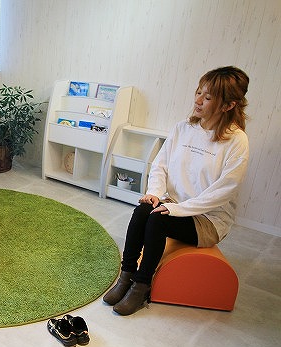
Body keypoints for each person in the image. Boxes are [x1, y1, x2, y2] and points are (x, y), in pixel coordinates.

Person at [103, 66, 250, 316]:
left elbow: (224, 191)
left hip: (207, 218)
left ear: (228, 105)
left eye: (208, 97)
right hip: (173, 202)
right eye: (198, 92)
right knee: (143, 210)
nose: (198, 100)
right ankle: (126, 275)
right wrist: (155, 193)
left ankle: (141, 286)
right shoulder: (183, 128)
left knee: (158, 220)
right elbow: (160, 165)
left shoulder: (236, 141)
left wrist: (176, 209)